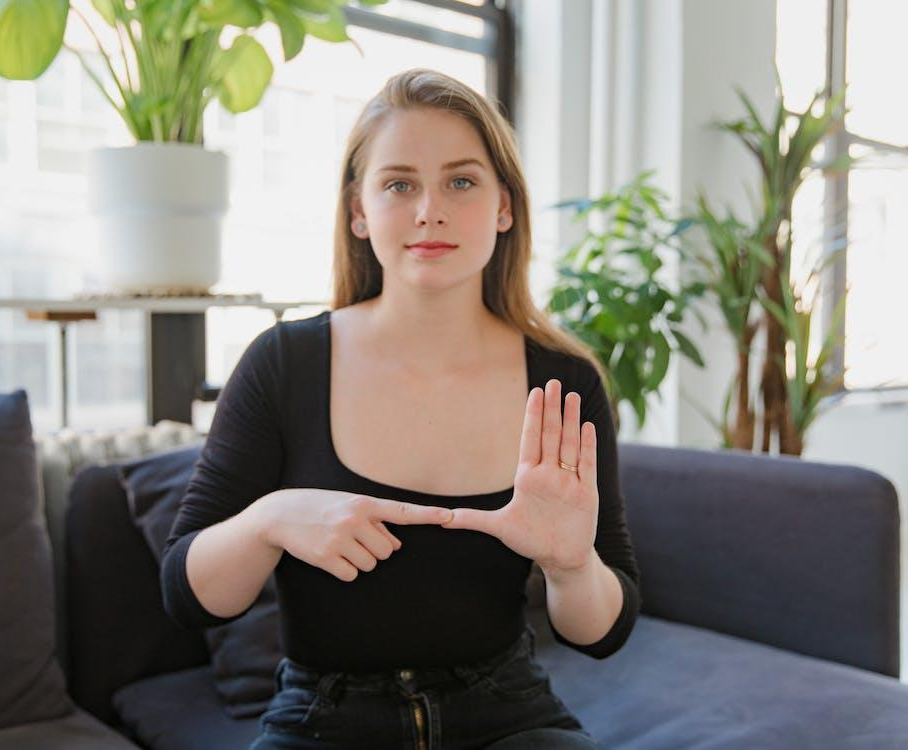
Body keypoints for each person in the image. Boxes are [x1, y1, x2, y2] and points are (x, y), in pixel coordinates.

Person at [160, 68, 641, 750]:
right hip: (322, 719)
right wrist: (270, 520)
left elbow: (602, 632)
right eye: (399, 184)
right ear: (358, 211)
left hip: (507, 714)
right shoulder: (284, 364)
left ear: (504, 206)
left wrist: (570, 567)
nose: (428, 210)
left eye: (461, 181)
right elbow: (189, 597)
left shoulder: (564, 383)